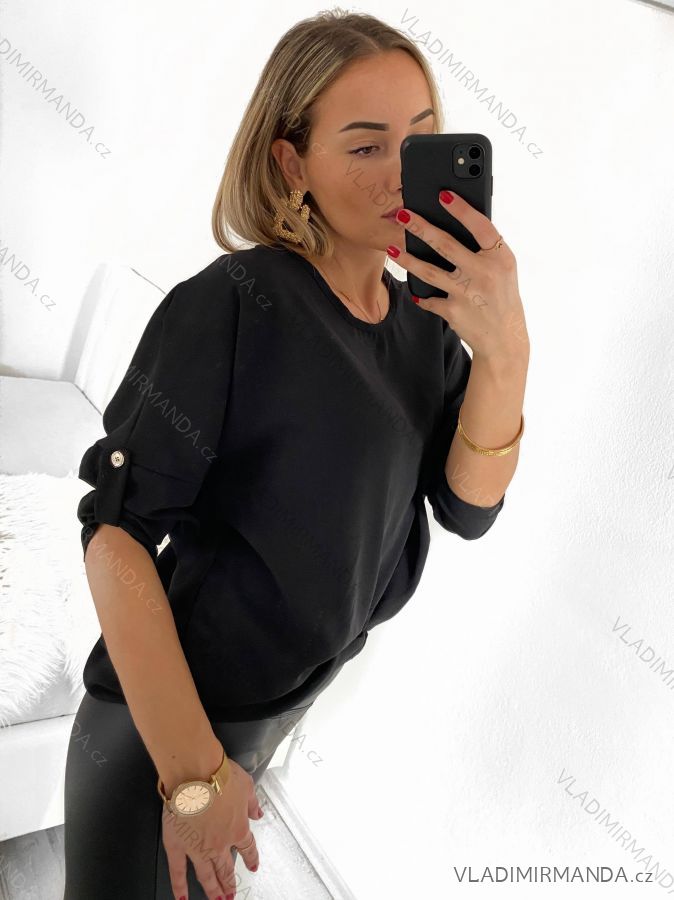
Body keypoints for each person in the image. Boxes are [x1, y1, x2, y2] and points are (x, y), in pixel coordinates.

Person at [63, 9, 529, 900]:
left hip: (274, 714)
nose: (401, 174)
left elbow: (469, 508)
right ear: (290, 163)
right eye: (365, 146)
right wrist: (194, 776)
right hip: (164, 734)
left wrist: (506, 349)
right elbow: (114, 536)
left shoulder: (424, 330)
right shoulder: (236, 302)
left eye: (421, 140)